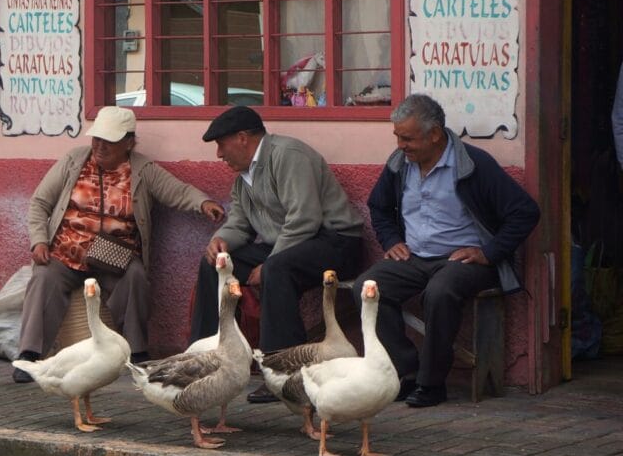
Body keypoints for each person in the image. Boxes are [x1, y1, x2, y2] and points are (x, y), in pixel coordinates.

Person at [14, 106, 226, 383]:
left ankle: (137, 354)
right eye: (96, 139)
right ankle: (30, 355)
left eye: (109, 141)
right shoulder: (73, 161)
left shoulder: (142, 170)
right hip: (67, 251)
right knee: (43, 277)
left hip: (115, 255)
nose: (100, 147)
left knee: (136, 276)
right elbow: (40, 203)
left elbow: (177, 191)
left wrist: (203, 202)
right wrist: (39, 241)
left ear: (128, 142)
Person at [354, 94, 540, 407]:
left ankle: (431, 384)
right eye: (397, 136)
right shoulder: (400, 164)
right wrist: (391, 241)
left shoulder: (473, 164)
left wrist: (489, 252)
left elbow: (525, 212)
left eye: (408, 138)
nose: (400, 144)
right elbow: (379, 207)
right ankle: (405, 372)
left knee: (440, 293)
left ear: (435, 134)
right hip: (414, 258)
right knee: (367, 288)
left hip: (464, 261)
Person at [191, 105, 364, 403]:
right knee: (215, 265)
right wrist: (220, 240)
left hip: (337, 242)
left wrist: (269, 263)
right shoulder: (242, 177)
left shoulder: (288, 156)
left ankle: (282, 373)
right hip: (288, 246)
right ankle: (207, 362)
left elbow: (303, 219)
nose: (219, 154)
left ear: (243, 138)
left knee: (276, 270)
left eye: (221, 144)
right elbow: (240, 224)